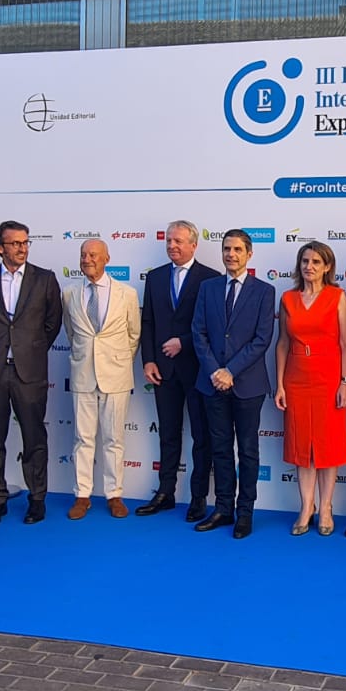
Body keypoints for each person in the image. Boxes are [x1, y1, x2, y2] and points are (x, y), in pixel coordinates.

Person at [0, 220, 64, 526]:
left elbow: (52, 323)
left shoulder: (45, 279)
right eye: (15, 243)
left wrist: (31, 349)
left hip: (29, 370)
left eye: (26, 243)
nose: (22, 248)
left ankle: (37, 499)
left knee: (34, 437)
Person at [191, 229, 277, 538]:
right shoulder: (208, 288)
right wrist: (216, 371)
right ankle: (223, 509)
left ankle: (245, 513)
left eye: (238, 249)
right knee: (220, 448)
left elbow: (262, 339)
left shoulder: (265, 291)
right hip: (211, 383)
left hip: (247, 385)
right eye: (227, 249)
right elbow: (198, 332)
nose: (231, 254)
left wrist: (231, 371)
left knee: (249, 451)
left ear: (249, 254)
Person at [137, 221, 221, 521]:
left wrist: (183, 342)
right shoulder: (156, 277)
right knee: (168, 434)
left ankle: (198, 497)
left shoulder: (210, 278)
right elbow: (147, 322)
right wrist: (148, 360)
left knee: (202, 436)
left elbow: (215, 326)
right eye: (169, 241)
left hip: (199, 370)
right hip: (163, 371)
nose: (172, 246)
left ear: (193, 245)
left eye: (179, 241)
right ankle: (165, 493)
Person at [275, 241, 346, 537]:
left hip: (328, 376)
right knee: (301, 445)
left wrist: (345, 382)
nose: (309, 266)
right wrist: (280, 383)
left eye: (316, 262)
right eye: (305, 261)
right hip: (296, 377)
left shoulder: (337, 297)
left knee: (328, 445)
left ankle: (326, 507)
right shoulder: (287, 298)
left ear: (328, 267)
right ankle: (305, 507)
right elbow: (282, 342)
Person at [62, 239, 141, 519]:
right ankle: (82, 495)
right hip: (82, 374)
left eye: (93, 254)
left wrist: (117, 361)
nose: (87, 259)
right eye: (83, 254)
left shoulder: (127, 294)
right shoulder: (70, 294)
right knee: (82, 438)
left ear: (107, 258)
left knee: (113, 439)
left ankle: (114, 494)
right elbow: (72, 334)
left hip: (116, 376)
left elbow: (134, 335)